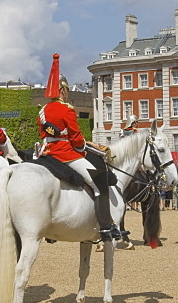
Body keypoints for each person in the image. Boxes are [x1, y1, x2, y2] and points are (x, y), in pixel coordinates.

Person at [38, 53, 124, 241]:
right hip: (66, 154)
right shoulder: (67, 109)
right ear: (62, 90)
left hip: (46, 154)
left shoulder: (42, 111)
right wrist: (83, 148)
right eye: (65, 90)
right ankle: (105, 228)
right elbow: (76, 138)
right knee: (99, 182)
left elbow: (44, 134)